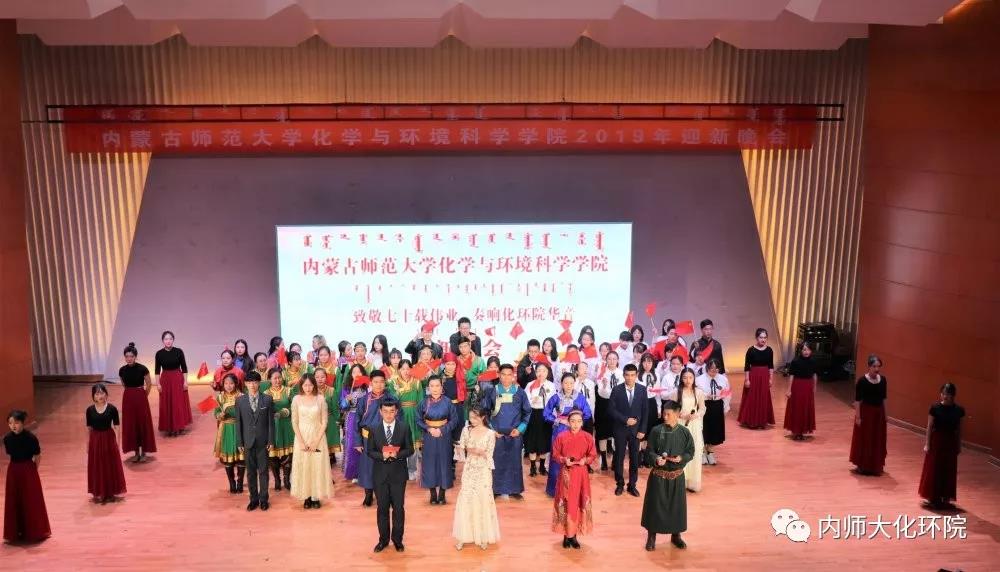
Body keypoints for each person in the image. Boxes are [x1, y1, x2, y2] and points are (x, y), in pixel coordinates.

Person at [642, 400, 695, 551]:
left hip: (677, 477)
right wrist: (655, 459)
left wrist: (682, 458)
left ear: (677, 414)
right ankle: (651, 536)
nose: (664, 417)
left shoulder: (684, 432)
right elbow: (649, 451)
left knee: (676, 508)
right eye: (663, 413)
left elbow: (690, 451)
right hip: (659, 476)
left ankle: (676, 535)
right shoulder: (656, 431)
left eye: (668, 414)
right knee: (655, 507)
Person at [368, 399, 414, 553]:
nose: (389, 415)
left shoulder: (404, 427)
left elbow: (410, 449)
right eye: (385, 411)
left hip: (398, 474)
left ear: (396, 411)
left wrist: (397, 454)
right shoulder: (373, 428)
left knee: (398, 509)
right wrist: (382, 455)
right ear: (380, 412)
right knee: (382, 508)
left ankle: (397, 540)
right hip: (380, 475)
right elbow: (370, 451)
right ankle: (383, 540)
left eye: (392, 411)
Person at [479, 364, 531, 499]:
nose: (506, 377)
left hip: (515, 434)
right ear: (499, 375)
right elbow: (484, 413)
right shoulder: (492, 391)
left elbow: (527, 413)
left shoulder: (520, 392)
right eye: (503, 374)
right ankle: (495, 489)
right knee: (496, 461)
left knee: (515, 462)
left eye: (509, 374)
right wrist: (492, 431)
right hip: (497, 434)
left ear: (513, 376)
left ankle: (515, 490)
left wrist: (520, 430)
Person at [452, 406, 500, 550]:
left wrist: (480, 452)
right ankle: (463, 536)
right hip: (469, 468)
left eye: (475, 417)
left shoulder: (490, 433)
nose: (472, 420)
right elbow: (461, 448)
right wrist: (466, 449)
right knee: (466, 499)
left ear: (483, 417)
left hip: (483, 469)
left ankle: (483, 536)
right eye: (470, 417)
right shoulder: (466, 430)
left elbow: (490, 454)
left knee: (483, 499)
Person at [551, 409, 597, 549]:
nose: (576, 424)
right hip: (566, 474)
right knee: (566, 502)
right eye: (573, 421)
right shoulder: (561, 436)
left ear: (582, 422)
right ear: (568, 422)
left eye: (578, 421)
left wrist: (585, 460)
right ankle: (566, 535)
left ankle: (574, 535)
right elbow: (555, 454)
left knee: (578, 502)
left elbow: (593, 454)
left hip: (581, 475)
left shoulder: (587, 437)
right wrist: (564, 460)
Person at [3, 410, 50, 543]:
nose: (13, 426)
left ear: (22, 423)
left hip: (28, 468)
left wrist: (33, 470)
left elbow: (37, 456)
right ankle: (17, 531)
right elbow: (10, 453)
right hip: (13, 470)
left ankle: (34, 531)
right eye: (10, 423)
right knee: (14, 498)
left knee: (31, 499)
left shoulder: (31, 438)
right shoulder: (7, 439)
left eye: (16, 423)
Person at [544, 373, 593, 497]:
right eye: (566, 383)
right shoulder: (556, 397)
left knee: (575, 458)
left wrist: (575, 421)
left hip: (576, 432)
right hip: (560, 431)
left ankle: (573, 490)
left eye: (571, 383)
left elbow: (587, 413)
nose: (568, 385)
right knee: (557, 459)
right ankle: (555, 490)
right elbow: (546, 414)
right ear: (561, 384)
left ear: (574, 383)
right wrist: (559, 420)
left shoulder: (580, 397)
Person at [356, 371, 399, 507]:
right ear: (370, 383)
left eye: (381, 382)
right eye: (375, 382)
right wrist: (358, 442)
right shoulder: (364, 400)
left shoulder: (392, 399)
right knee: (368, 467)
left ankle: (387, 495)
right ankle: (368, 494)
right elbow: (357, 421)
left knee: (387, 467)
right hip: (367, 438)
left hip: (387, 437)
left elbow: (399, 418)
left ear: (385, 383)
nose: (379, 385)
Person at [919, 383, 965, 509]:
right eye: (943, 393)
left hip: (950, 442)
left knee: (948, 469)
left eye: (948, 394)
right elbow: (929, 427)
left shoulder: (959, 410)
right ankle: (933, 497)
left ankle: (946, 497)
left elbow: (960, 430)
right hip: (937, 441)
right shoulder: (934, 408)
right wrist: (927, 444)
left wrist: (959, 445)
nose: (945, 396)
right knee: (935, 469)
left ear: (953, 395)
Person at [290, 373, 332, 509]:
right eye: (305, 385)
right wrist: (301, 442)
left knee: (317, 465)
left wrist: (316, 441)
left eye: (310, 385)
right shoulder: (296, 399)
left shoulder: (320, 399)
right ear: (301, 386)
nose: (308, 388)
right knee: (304, 465)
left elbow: (324, 421)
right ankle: (306, 496)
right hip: (301, 436)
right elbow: (294, 422)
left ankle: (316, 496)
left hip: (318, 436)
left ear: (314, 385)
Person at [235, 372, 274, 511]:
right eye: (249, 382)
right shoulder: (240, 401)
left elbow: (271, 423)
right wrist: (239, 442)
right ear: (245, 384)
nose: (252, 385)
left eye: (255, 382)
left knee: (263, 471)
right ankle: (253, 499)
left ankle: (264, 499)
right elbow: (238, 423)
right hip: (247, 441)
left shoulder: (267, 399)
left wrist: (271, 440)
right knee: (251, 472)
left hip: (263, 442)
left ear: (259, 383)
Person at [417, 376, 459, 505]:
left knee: (444, 463)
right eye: (432, 386)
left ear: (442, 387)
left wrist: (442, 430)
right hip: (429, 436)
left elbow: (454, 420)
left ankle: (442, 493)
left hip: (444, 435)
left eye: (437, 386)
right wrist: (429, 428)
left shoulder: (448, 402)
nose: (435, 389)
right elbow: (418, 419)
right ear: (428, 388)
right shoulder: (423, 402)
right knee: (429, 464)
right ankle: (432, 493)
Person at [610, 364, 648, 497]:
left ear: (636, 375)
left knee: (635, 458)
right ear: (623, 375)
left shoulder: (642, 390)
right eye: (627, 375)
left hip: (636, 431)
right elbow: (611, 410)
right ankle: (619, 484)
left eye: (632, 375)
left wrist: (643, 430)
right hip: (620, 429)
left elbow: (645, 411)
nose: (630, 378)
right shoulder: (616, 390)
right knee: (619, 457)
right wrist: (625, 420)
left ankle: (632, 485)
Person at [86, 383, 127, 503]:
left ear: (106, 394)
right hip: (95, 439)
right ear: (93, 396)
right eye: (97, 393)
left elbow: (117, 427)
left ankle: (110, 491)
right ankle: (98, 491)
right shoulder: (89, 410)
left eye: (102, 393)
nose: (100, 396)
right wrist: (88, 445)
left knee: (109, 465)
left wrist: (117, 443)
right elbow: (88, 429)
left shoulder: (112, 409)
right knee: (97, 465)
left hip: (108, 438)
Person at [849, 354, 888, 476]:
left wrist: (886, 415)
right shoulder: (862, 381)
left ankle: (875, 465)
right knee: (865, 439)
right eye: (874, 366)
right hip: (866, 413)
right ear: (869, 367)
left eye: (878, 366)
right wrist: (858, 417)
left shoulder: (883, 380)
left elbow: (884, 399)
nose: (877, 369)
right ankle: (863, 465)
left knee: (877, 439)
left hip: (879, 413)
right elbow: (857, 401)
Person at [118, 342, 156, 463]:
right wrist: (131, 393)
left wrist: (143, 396)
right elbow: (124, 384)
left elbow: (149, 384)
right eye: (127, 356)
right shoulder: (122, 370)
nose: (129, 358)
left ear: (135, 357)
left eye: (131, 356)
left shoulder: (142, 368)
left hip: (140, 397)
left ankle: (143, 452)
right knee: (131, 424)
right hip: (128, 398)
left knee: (142, 423)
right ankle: (135, 452)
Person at [388, 358, 424, 481]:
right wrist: (397, 393)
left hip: (414, 414)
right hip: (400, 415)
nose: (406, 371)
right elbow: (391, 399)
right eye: (403, 369)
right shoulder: (393, 382)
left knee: (413, 442)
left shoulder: (417, 382)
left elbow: (421, 400)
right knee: (399, 442)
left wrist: (420, 416)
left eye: (408, 368)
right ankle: (398, 469)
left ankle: (412, 469)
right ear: (399, 370)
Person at [154, 330, 192, 437]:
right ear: (163, 341)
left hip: (177, 379)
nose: (168, 341)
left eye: (170, 339)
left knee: (178, 403)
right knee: (166, 403)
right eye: (166, 339)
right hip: (165, 380)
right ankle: (169, 427)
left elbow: (184, 368)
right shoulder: (159, 353)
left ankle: (179, 426)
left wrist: (185, 381)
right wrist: (158, 384)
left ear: (173, 340)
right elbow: (157, 370)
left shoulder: (179, 351)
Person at [214, 374, 245, 493]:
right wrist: (219, 415)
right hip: (226, 429)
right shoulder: (220, 397)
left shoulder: (241, 396)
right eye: (226, 383)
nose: (229, 386)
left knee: (241, 458)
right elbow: (216, 412)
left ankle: (240, 482)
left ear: (236, 384)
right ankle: (232, 483)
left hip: (239, 428)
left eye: (231, 383)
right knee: (228, 459)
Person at [264, 367, 294, 491]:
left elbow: (295, 407)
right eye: (275, 378)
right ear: (269, 380)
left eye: (279, 377)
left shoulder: (289, 391)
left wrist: (285, 412)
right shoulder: (265, 393)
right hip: (271, 427)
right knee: (273, 455)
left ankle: (287, 479)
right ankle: (277, 479)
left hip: (286, 426)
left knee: (288, 454)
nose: (277, 380)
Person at [739, 328, 775, 429]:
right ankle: (751, 421)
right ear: (756, 338)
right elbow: (747, 366)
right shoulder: (751, 350)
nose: (763, 340)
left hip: (764, 376)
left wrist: (771, 379)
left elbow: (771, 366)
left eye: (765, 337)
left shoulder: (769, 350)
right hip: (753, 376)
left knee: (763, 398)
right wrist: (747, 379)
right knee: (752, 398)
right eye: (761, 337)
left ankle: (762, 421)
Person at [695, 360, 730, 465]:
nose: (714, 371)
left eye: (716, 368)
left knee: (715, 429)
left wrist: (726, 407)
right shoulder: (699, 379)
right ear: (707, 368)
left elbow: (727, 393)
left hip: (717, 405)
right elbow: (696, 393)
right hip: (704, 405)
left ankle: (710, 451)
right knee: (704, 429)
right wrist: (706, 396)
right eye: (711, 368)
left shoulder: (723, 379)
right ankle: (702, 452)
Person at [676, 369, 706, 492]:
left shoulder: (698, 392)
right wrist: (681, 415)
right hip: (681, 424)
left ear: (694, 378)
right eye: (685, 377)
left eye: (690, 378)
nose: (688, 380)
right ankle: (680, 481)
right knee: (681, 451)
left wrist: (696, 415)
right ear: (681, 379)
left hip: (694, 424)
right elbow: (671, 409)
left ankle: (693, 482)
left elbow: (703, 408)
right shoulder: (676, 392)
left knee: (695, 451)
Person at [525, 362, 556, 477]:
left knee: (544, 440)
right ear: (535, 372)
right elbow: (525, 400)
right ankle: (533, 466)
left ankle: (542, 466)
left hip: (546, 415)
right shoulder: (530, 385)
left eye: (543, 371)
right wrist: (532, 401)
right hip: (533, 414)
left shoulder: (551, 385)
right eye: (538, 371)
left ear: (547, 373)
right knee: (532, 440)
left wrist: (553, 417)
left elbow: (554, 402)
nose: (541, 373)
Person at [784, 342, 818, 440]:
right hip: (797, 386)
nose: (806, 352)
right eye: (804, 349)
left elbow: (814, 375)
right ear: (801, 350)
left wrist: (814, 387)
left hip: (808, 386)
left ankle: (803, 430)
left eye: (808, 349)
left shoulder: (813, 361)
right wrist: (789, 389)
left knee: (806, 407)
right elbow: (792, 375)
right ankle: (796, 431)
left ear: (811, 351)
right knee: (797, 407)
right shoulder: (795, 361)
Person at [340, 367, 369, 483]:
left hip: (366, 417)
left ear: (363, 373)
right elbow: (342, 406)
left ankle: (366, 471)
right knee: (353, 444)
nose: (356, 374)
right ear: (350, 374)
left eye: (359, 372)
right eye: (354, 372)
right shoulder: (347, 388)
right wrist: (347, 400)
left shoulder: (367, 387)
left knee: (366, 443)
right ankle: (354, 473)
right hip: (352, 418)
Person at [595, 350, 622, 471]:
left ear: (618, 360)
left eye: (614, 359)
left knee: (616, 432)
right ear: (606, 360)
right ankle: (604, 461)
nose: (612, 361)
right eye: (609, 359)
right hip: (604, 405)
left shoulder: (621, 373)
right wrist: (605, 386)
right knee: (603, 433)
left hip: (618, 405)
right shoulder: (601, 372)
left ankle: (615, 460)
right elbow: (601, 393)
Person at [314, 368, 340, 476]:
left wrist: (337, 421)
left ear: (326, 378)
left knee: (328, 449)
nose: (320, 379)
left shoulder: (332, 390)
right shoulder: (311, 390)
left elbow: (335, 408)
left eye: (322, 377)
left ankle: (327, 475)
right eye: (317, 377)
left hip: (329, 422)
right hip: (315, 423)